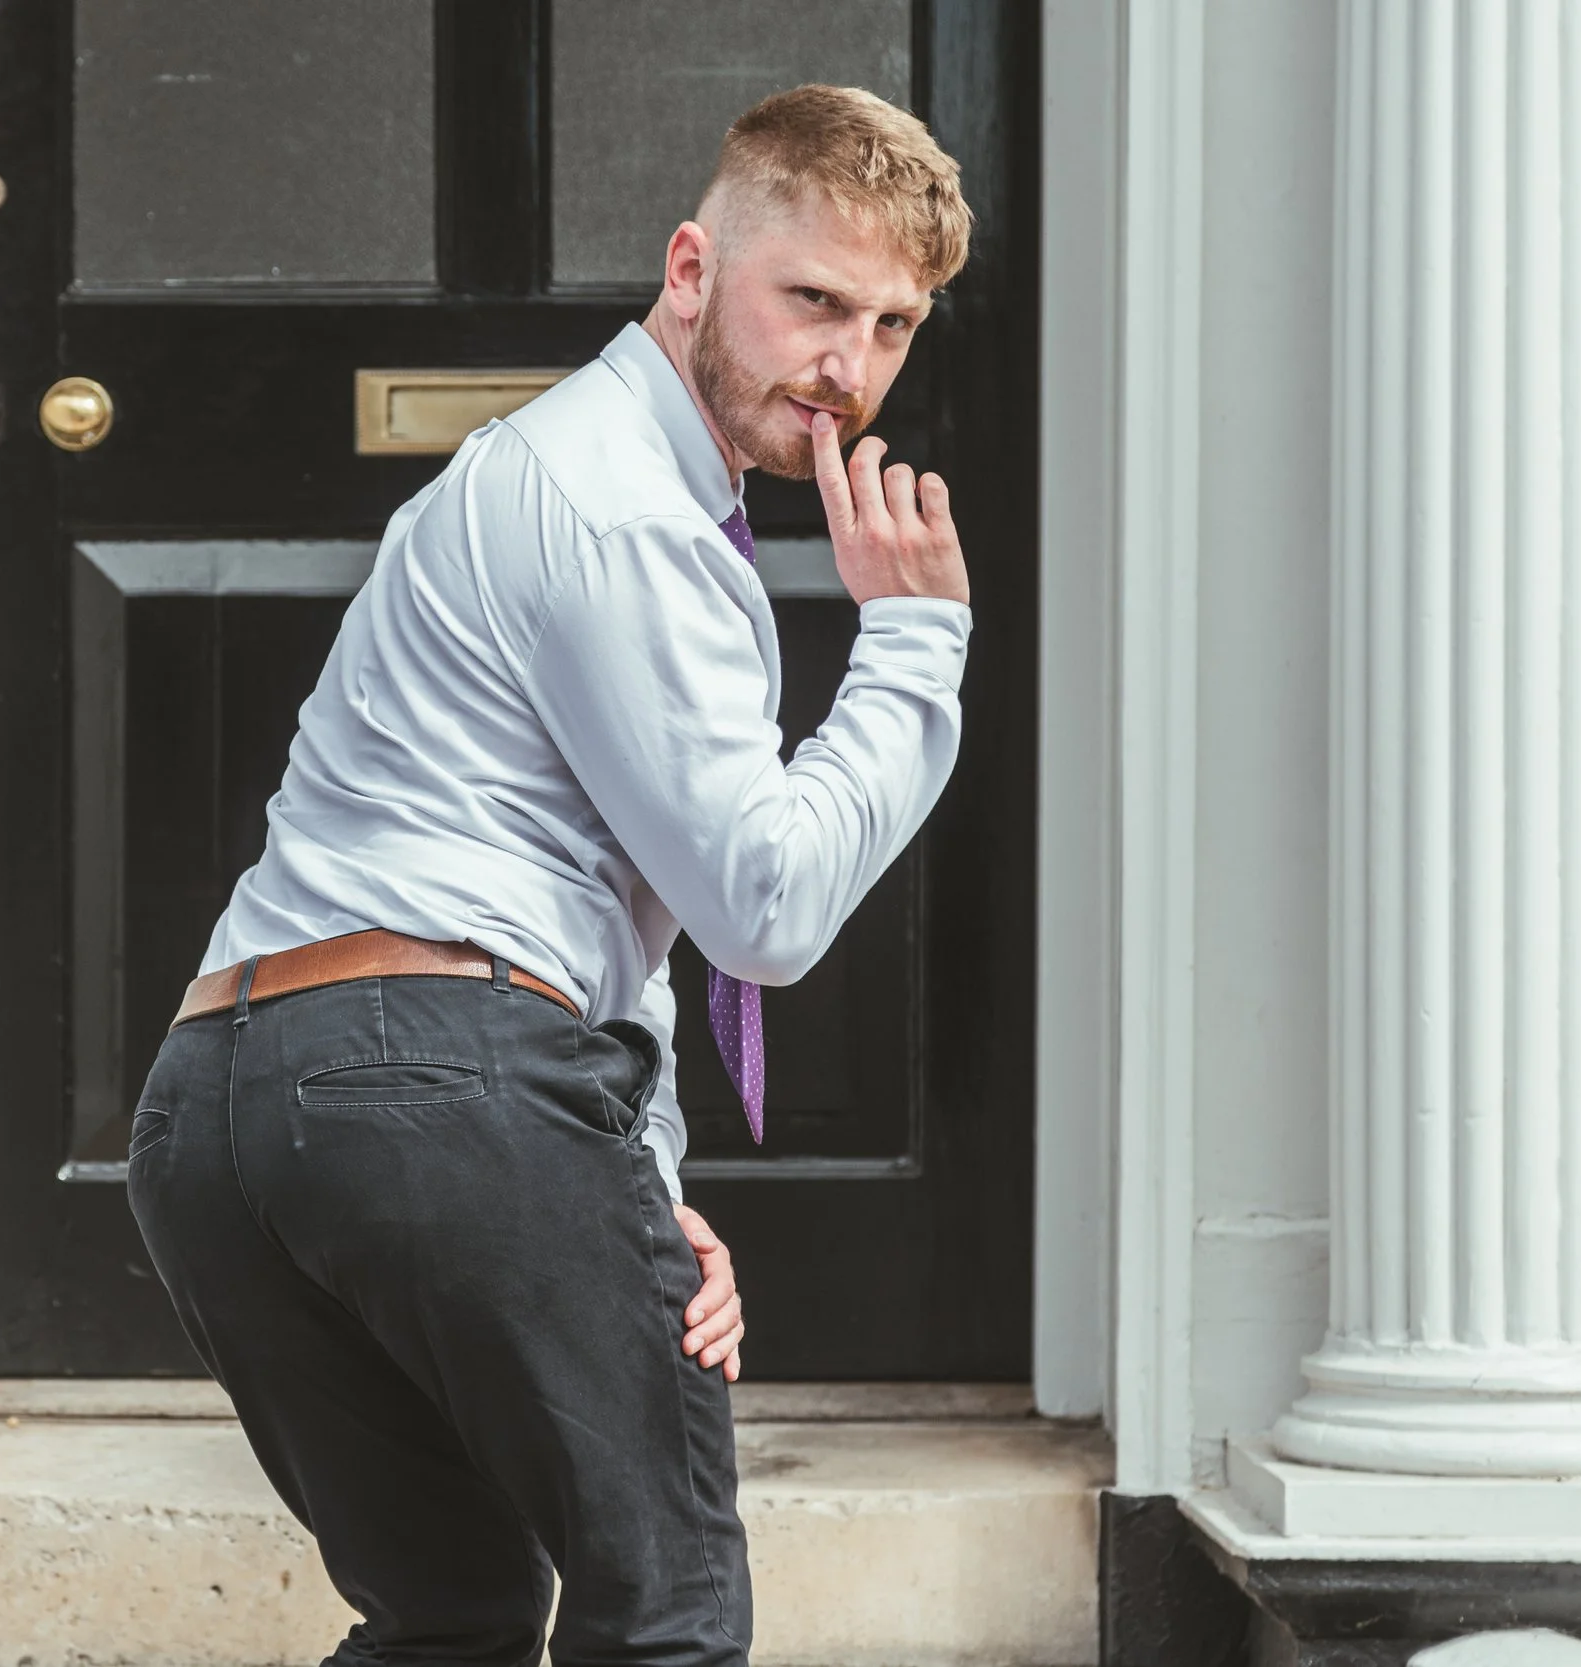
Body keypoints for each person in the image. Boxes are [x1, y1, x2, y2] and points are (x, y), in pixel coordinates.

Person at [125, 83, 975, 1667]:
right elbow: (764, 908)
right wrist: (916, 642)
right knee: (666, 1613)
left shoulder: (532, 472)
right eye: (813, 301)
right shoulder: (632, 518)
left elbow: (587, 908)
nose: (847, 370)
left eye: (893, 325)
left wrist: (624, 1184)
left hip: (219, 1114)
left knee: (450, 1617)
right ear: (691, 268)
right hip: (433, 1083)